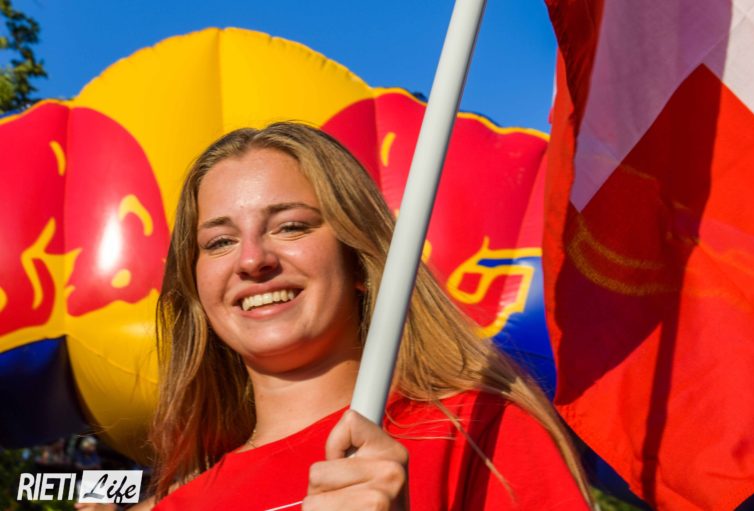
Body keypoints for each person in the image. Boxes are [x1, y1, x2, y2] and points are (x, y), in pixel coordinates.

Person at [148, 122, 593, 510]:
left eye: (291, 227)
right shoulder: (179, 504)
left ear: (359, 260)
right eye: (220, 242)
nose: (251, 260)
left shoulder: (479, 431)